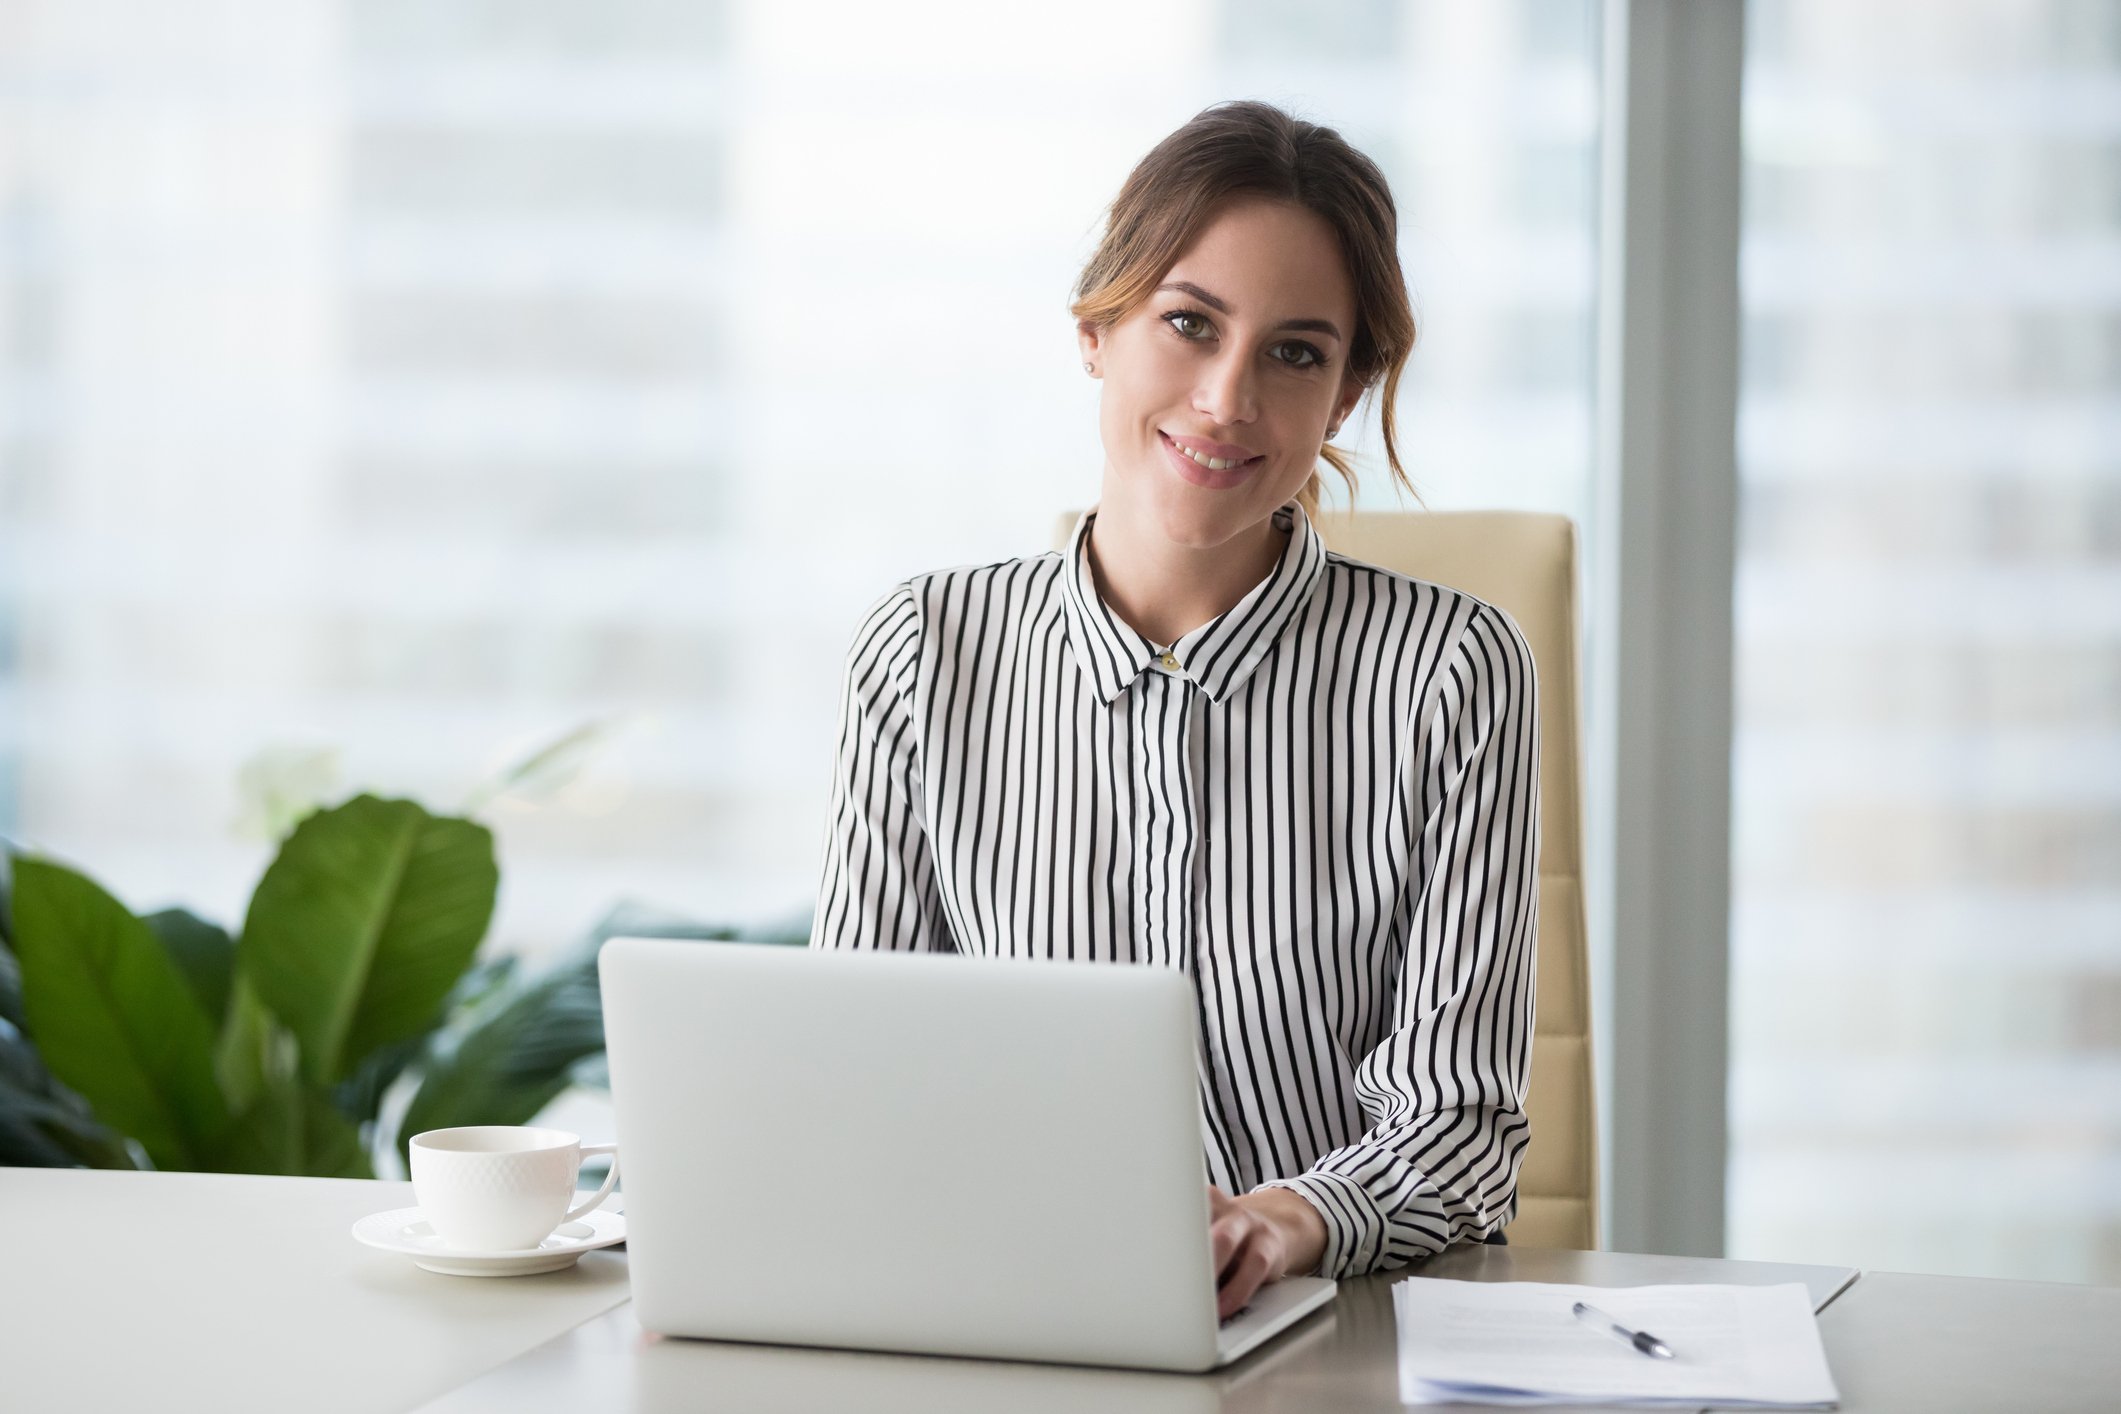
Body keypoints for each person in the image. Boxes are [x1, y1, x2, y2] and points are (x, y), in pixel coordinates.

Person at [810, 99, 1540, 1321]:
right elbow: (857, 1073)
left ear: (1347, 394)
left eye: (1296, 353)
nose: (1225, 397)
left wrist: (1289, 1219)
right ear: (1097, 331)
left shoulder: (1451, 670)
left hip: (1333, 1337)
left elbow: (1460, 1128)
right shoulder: (921, 654)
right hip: (1002, 1322)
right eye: (1188, 324)